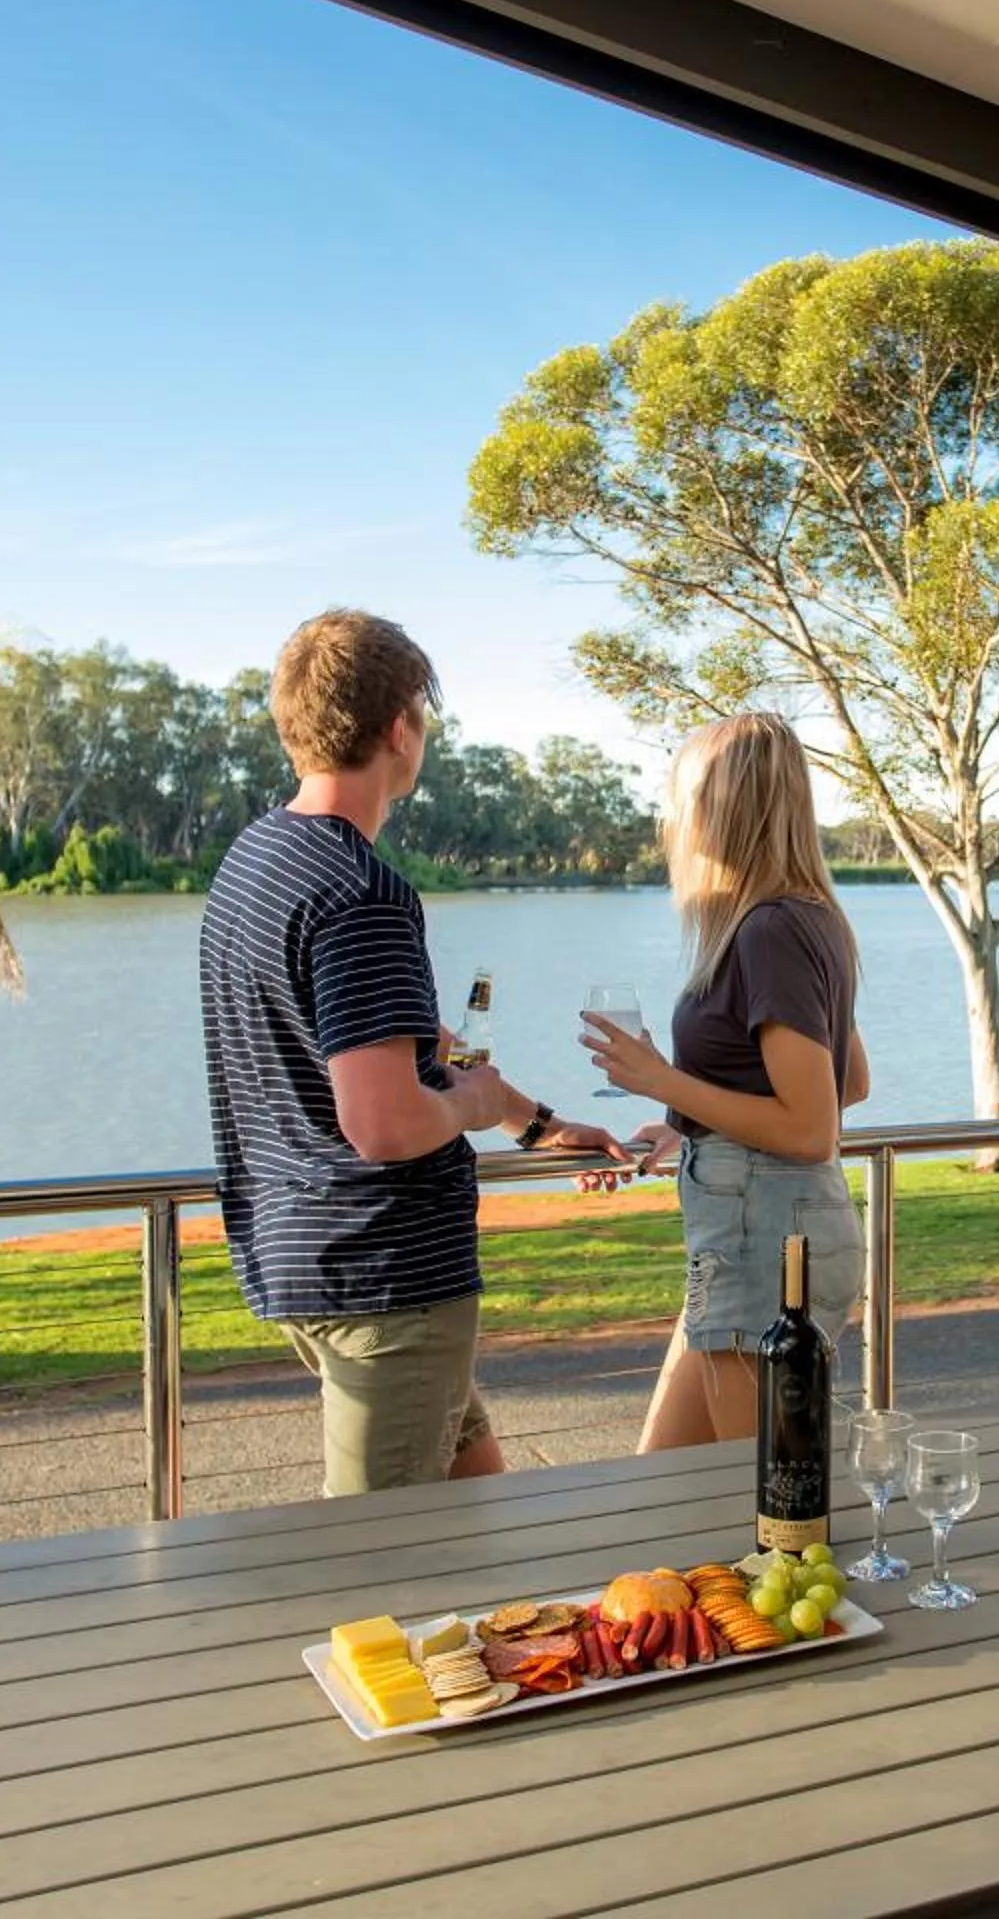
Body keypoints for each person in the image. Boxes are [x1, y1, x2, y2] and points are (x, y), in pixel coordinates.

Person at [199, 609, 624, 1496]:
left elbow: (389, 1048)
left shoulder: (255, 860)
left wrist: (532, 1123)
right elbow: (387, 1123)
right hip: (387, 1283)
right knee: (372, 1573)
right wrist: (472, 1110)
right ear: (400, 726)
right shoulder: (361, 891)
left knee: (478, 1524)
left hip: (305, 1255)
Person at [576, 712, 871, 1453]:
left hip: (762, 1240)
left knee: (769, 1504)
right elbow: (851, 1080)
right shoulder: (810, 919)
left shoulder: (770, 930)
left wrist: (664, 1081)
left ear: (726, 807)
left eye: (683, 796)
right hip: (754, 1238)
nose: (671, 816)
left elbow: (812, 1127)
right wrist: (684, 1123)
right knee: (667, 1485)